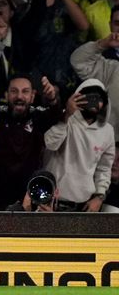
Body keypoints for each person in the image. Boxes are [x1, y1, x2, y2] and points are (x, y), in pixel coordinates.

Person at [0, 74, 61, 211]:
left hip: (27, 197)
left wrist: (52, 99)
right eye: (14, 91)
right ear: (6, 95)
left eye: (25, 91)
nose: (19, 96)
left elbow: (55, 114)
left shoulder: (38, 117)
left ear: (32, 96)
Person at [43, 79, 115, 212]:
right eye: (89, 97)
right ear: (78, 97)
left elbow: (104, 168)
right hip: (52, 200)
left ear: (104, 103)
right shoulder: (65, 118)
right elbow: (50, 144)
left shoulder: (107, 131)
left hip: (84, 204)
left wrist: (99, 196)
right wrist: (67, 115)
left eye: (99, 99)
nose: (94, 102)